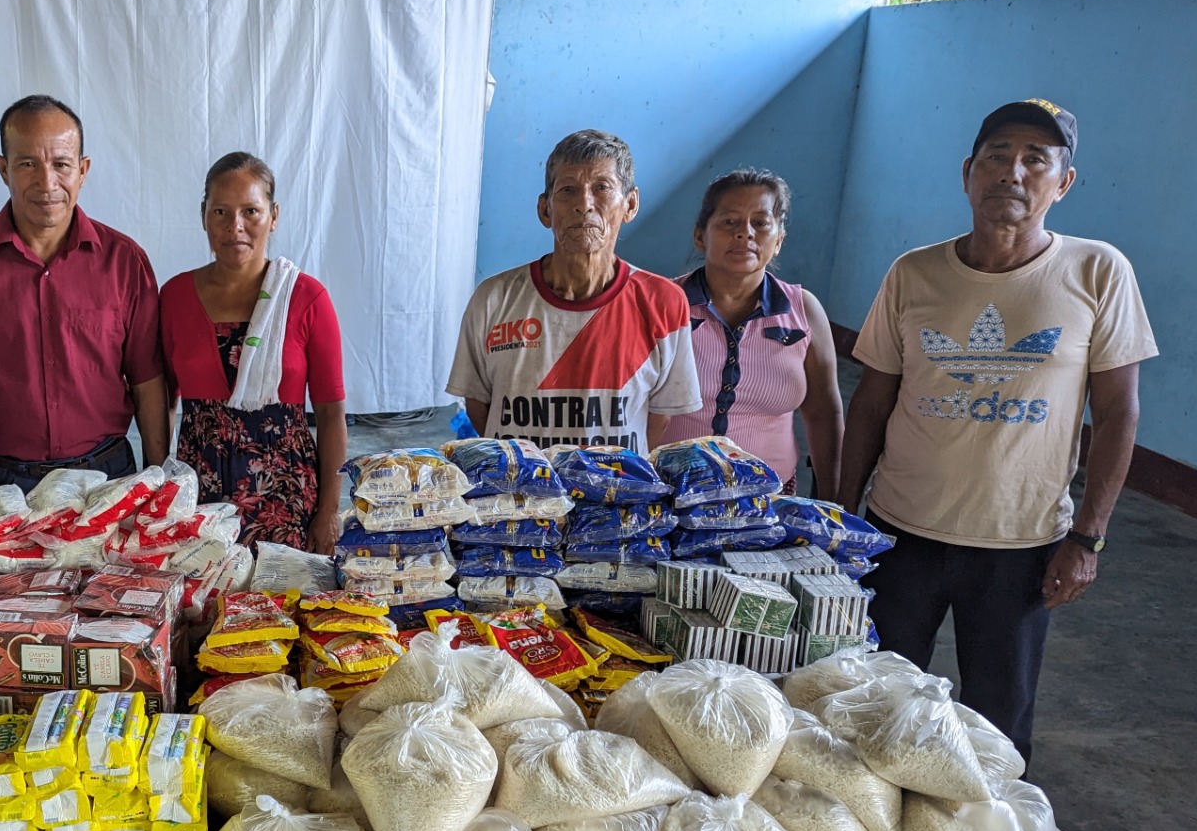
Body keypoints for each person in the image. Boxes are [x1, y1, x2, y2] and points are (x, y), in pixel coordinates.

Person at [839, 100, 1155, 761]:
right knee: (874, 707)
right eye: (997, 155)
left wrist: (1088, 536)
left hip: (1021, 545)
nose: (1012, 171)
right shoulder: (914, 272)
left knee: (997, 731)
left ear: (1062, 183)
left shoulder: (1097, 273)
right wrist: (842, 519)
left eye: (1035, 159)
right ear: (968, 172)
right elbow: (871, 402)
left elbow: (1119, 412)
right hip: (902, 533)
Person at [0, 94, 168, 495]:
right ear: (3, 170)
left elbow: (147, 379)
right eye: (27, 164)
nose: (47, 182)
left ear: (83, 170)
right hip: (2, 484)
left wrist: (157, 480)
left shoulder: (124, 262)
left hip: (105, 476)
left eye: (61, 164)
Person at [448, 129, 700, 452]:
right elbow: (479, 405)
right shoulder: (494, 299)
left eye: (602, 188)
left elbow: (659, 418)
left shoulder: (664, 304)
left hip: (615, 496)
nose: (584, 204)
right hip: (522, 498)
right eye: (568, 190)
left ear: (631, 204)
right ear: (545, 210)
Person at [158, 154, 348, 552]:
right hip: (199, 495)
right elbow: (161, 402)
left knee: (284, 605)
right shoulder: (174, 297)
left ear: (274, 215)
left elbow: (331, 414)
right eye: (221, 212)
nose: (235, 227)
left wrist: (329, 510)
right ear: (203, 216)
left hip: (286, 499)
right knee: (201, 608)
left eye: (251, 211)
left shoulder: (306, 298)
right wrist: (160, 490)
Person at [661, 170, 845, 494]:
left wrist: (830, 498)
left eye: (760, 223)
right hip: (670, 494)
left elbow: (823, 414)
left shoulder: (803, 312)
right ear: (700, 236)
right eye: (729, 222)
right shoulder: (663, 305)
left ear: (779, 241)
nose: (745, 233)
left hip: (769, 500)